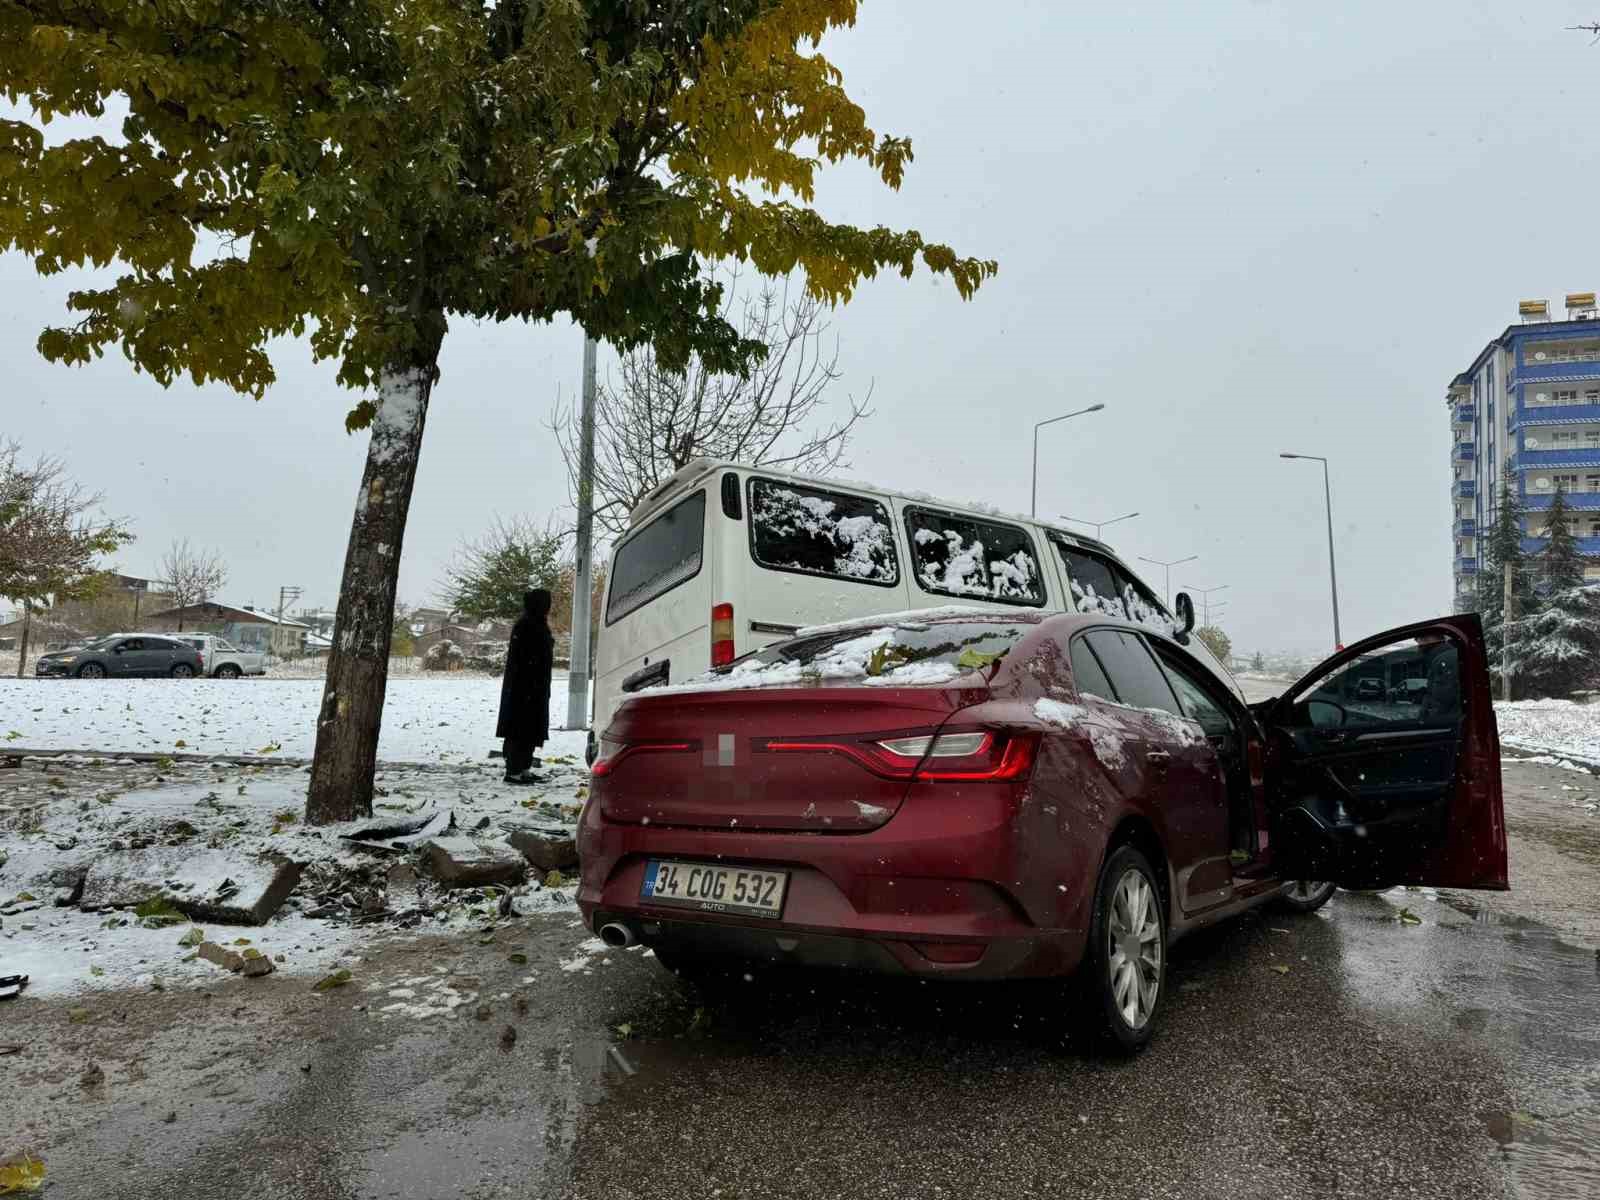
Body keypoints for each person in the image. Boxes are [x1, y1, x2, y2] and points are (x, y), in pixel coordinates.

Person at [498, 589, 554, 784]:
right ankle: (514, 770)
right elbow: (526, 659)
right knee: (521, 729)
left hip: (533, 688)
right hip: (524, 690)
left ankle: (524, 768)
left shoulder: (535, 622)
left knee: (530, 730)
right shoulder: (527, 625)